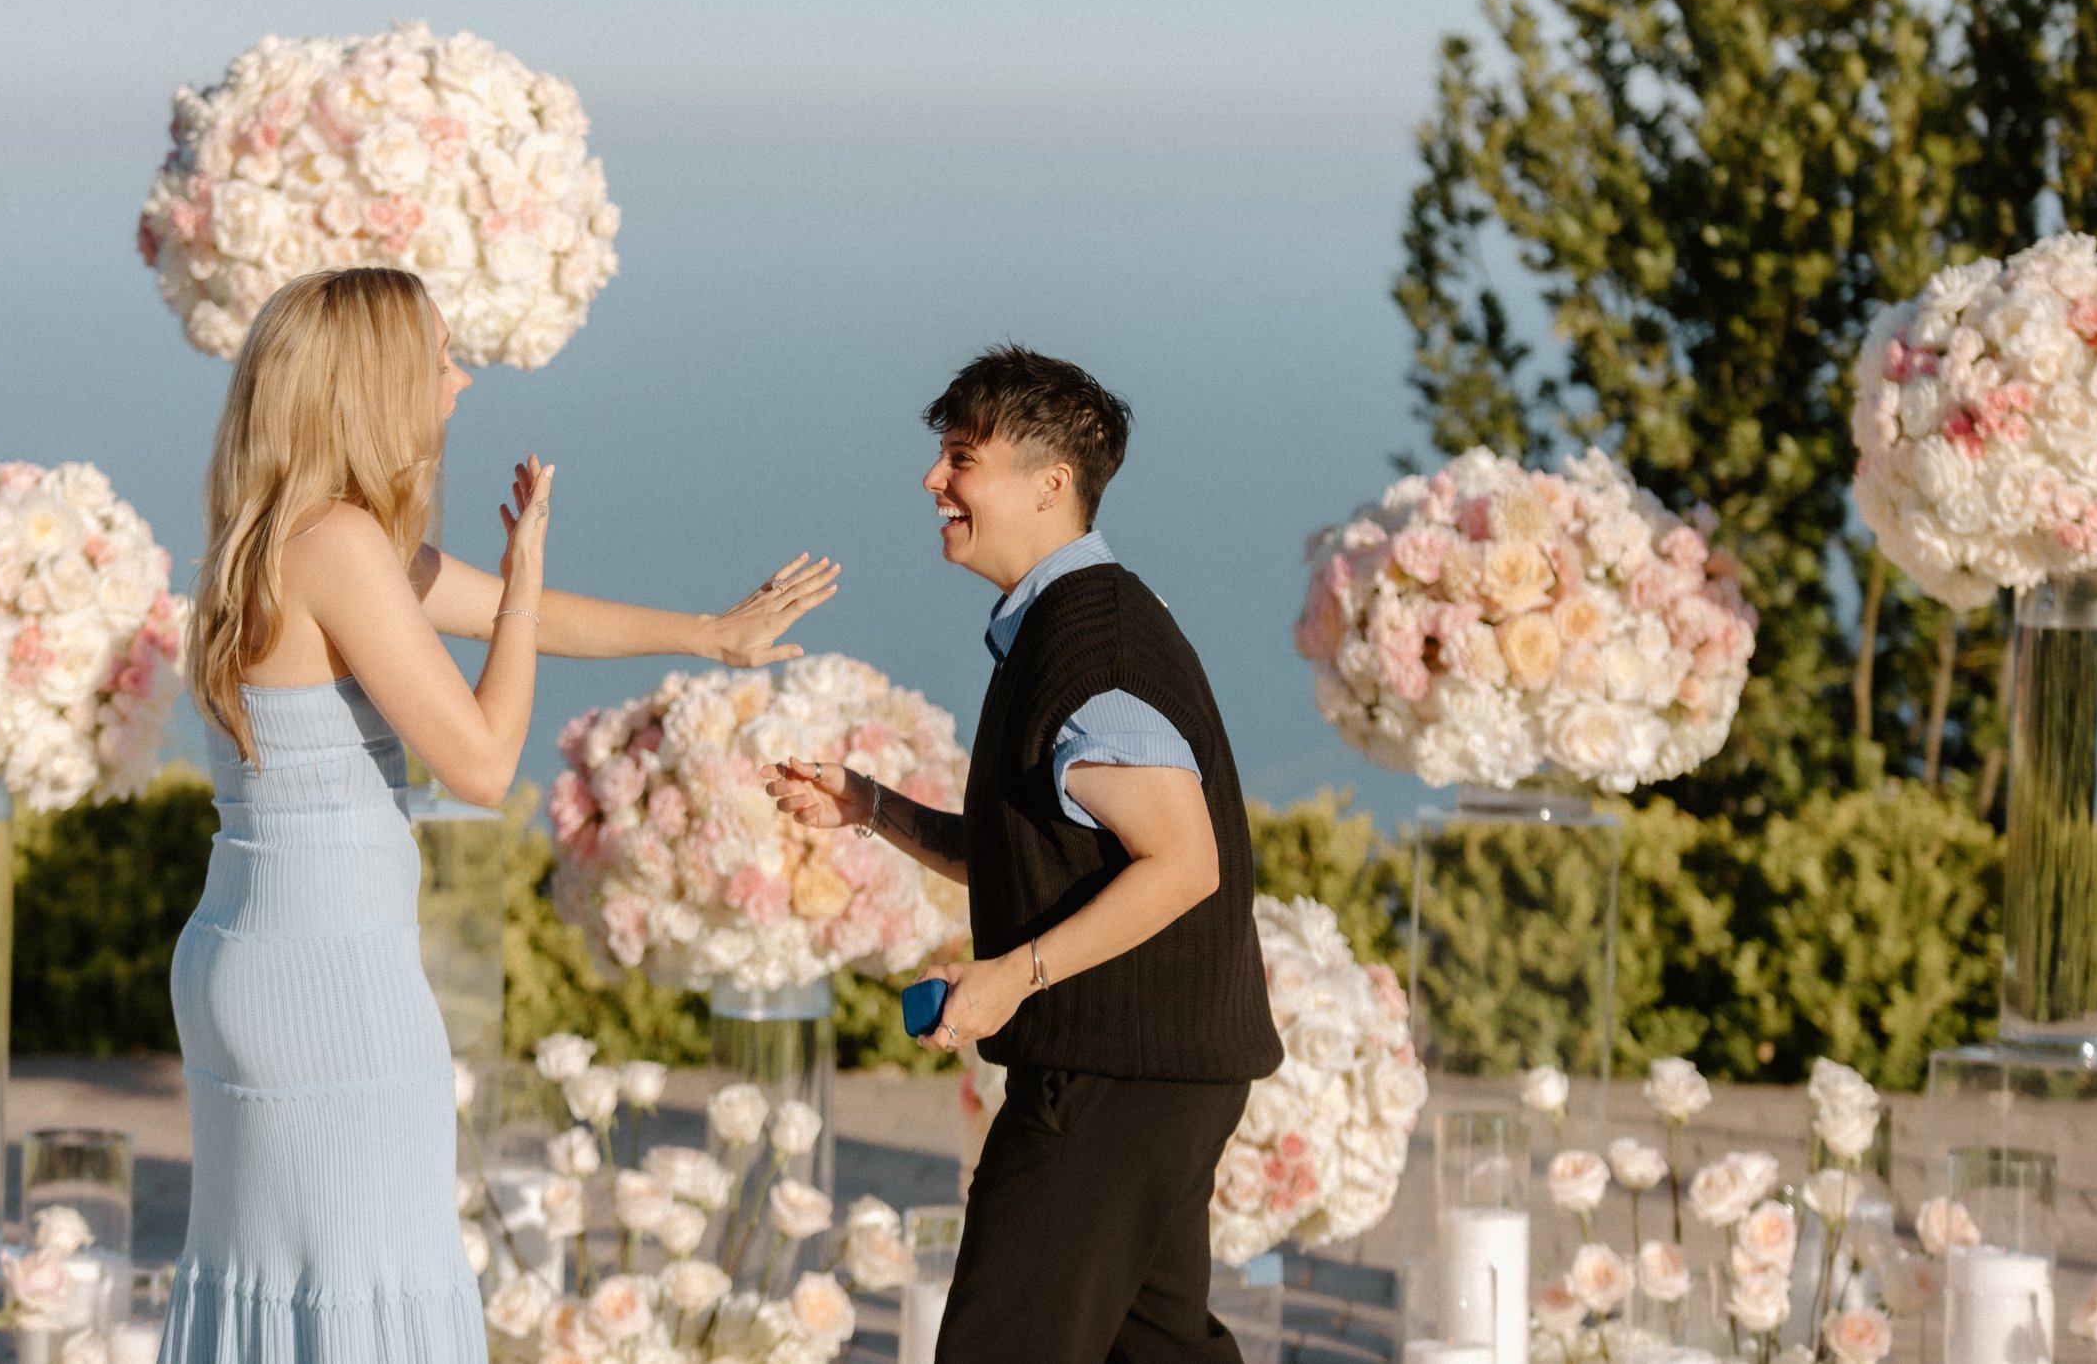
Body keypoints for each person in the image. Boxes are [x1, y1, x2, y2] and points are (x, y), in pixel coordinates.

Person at [167, 267, 837, 1362]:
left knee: (281, 1283)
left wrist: (707, 632)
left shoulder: (282, 538)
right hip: (329, 978)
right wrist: (524, 576)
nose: (461, 378)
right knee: (370, 1281)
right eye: (439, 358)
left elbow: (520, 620)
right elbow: (482, 762)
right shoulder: (341, 547)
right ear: (374, 384)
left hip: (251, 955)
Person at [765, 345, 1281, 1364]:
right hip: (1146, 1075)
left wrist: (1015, 973)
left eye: (961, 457)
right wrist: (872, 807)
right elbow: (1038, 851)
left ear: (1051, 485)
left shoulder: (1094, 651)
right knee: (1157, 1349)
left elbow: (1184, 862)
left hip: (1106, 1081)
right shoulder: (1066, 627)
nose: (933, 478)